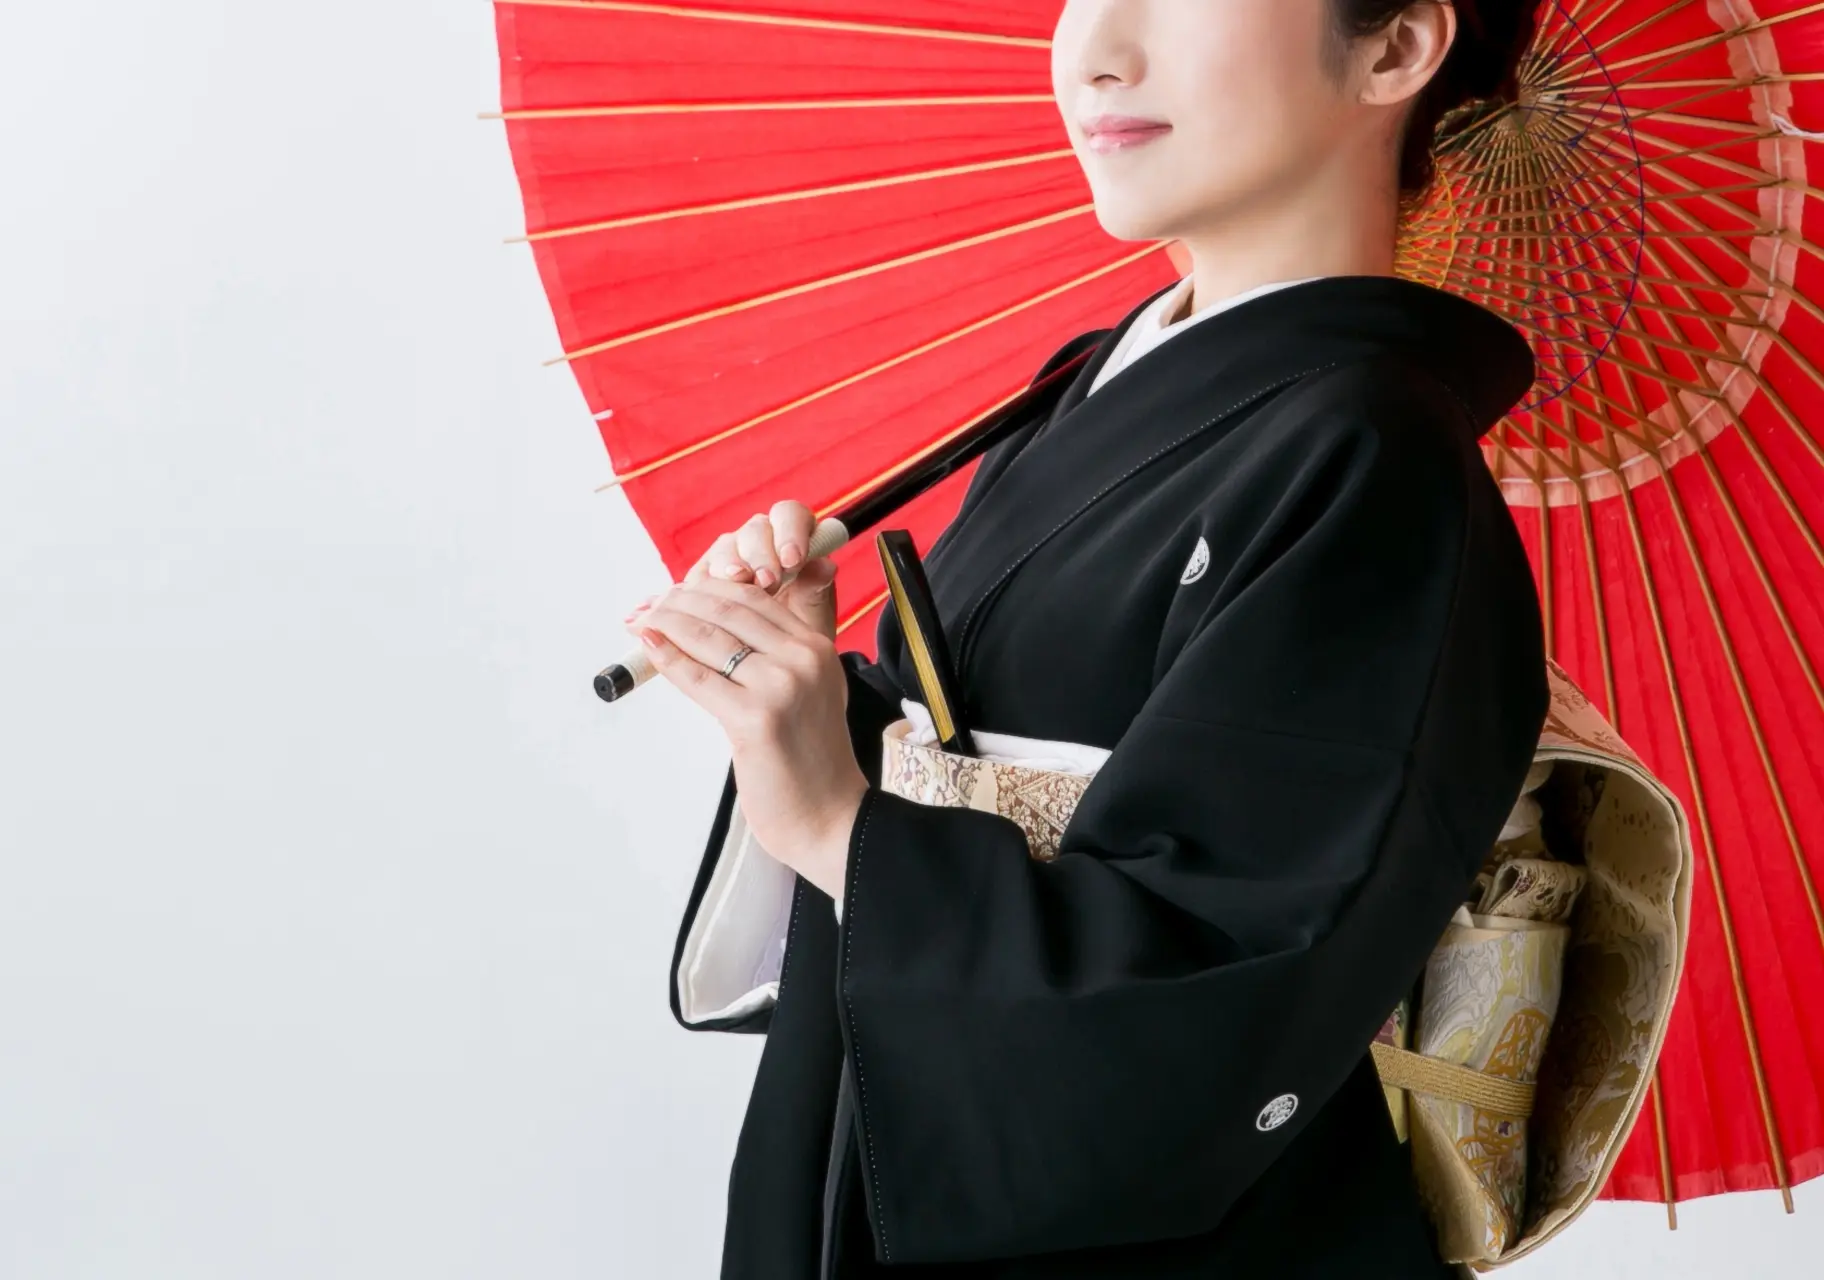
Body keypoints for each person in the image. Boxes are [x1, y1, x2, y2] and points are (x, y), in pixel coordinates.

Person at [623, 1, 1549, 1276]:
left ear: (1393, 49)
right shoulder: (1090, 382)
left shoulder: (1376, 464)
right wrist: (819, 709)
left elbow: (1216, 994)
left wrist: (842, 825)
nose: (1098, 52)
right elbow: (958, 757)